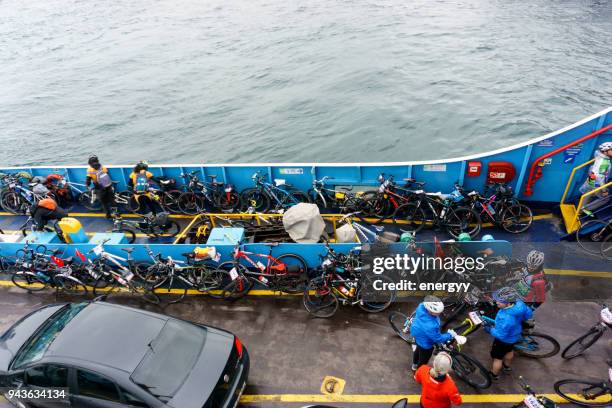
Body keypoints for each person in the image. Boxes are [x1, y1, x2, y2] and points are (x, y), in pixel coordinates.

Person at [485, 288, 533, 381]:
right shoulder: (519, 305)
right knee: (509, 351)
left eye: (500, 301)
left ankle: (494, 374)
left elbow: (501, 335)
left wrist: (490, 330)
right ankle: (507, 367)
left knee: (497, 358)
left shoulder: (507, 318)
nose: (497, 302)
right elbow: (528, 314)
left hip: (503, 340)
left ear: (508, 303)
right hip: (513, 337)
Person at [410, 296, 458, 371]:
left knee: (418, 350)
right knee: (423, 359)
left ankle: (414, 365)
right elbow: (437, 338)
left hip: (417, 333)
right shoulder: (431, 325)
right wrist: (450, 335)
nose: (440, 313)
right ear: (430, 311)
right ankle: (419, 372)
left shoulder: (421, 306)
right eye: (437, 312)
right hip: (425, 343)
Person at [579, 142, 611, 212]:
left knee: (588, 192)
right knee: (605, 198)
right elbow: (600, 177)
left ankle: (580, 210)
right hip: (597, 182)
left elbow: (596, 152)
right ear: (605, 152)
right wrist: (604, 190)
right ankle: (585, 209)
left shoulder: (598, 155)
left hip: (591, 177)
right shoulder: (604, 163)